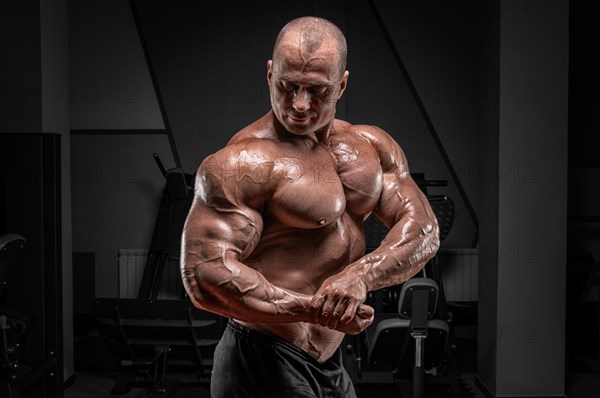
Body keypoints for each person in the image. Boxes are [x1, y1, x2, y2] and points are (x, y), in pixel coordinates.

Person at [181, 16, 440, 398]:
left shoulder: (371, 146)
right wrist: (312, 309)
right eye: (288, 87)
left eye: (317, 91)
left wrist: (360, 277)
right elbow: (204, 276)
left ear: (342, 85)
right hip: (262, 357)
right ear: (270, 74)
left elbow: (424, 227)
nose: (300, 105)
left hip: (328, 360)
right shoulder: (242, 163)